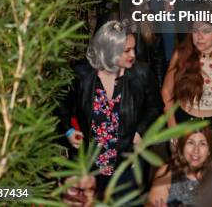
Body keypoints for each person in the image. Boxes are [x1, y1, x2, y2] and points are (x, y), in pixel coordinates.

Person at [57, 21, 162, 198]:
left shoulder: (142, 74)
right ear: (108, 50)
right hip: (90, 166)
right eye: (126, 50)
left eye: (133, 49)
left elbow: (155, 107)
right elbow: (61, 104)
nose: (133, 55)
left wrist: (141, 131)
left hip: (128, 163)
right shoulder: (82, 75)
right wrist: (68, 130)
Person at [161, 15, 212, 127]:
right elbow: (166, 92)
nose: (199, 36)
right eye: (195, 31)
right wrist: (172, 128)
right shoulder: (181, 57)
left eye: (206, 31)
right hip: (183, 124)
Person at [146, 128, 212, 206]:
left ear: (209, 150)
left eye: (202, 144)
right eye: (191, 143)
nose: (196, 150)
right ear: (182, 146)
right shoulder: (167, 172)